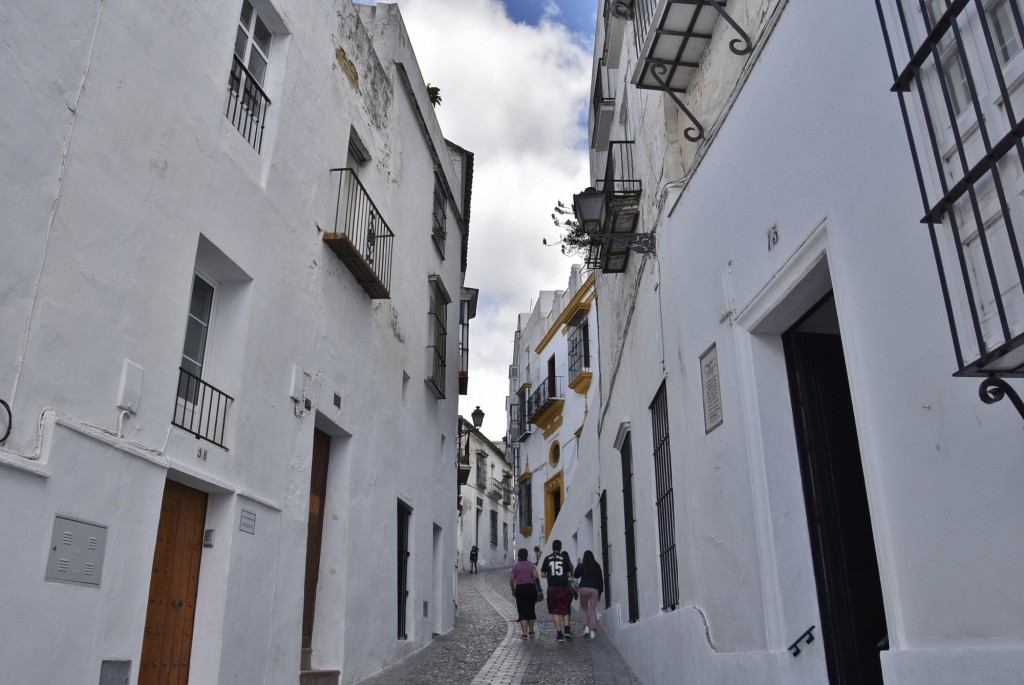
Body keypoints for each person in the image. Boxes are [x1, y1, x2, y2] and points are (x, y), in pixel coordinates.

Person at [540, 539, 574, 642]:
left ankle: (559, 634)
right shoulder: (564, 558)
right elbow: (569, 574)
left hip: (552, 588)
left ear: (552, 548)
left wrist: (551, 575)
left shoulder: (547, 558)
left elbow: (542, 574)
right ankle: (567, 629)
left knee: (555, 611)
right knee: (565, 608)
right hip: (563, 587)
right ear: (560, 548)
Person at [510, 548, 540, 638]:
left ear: (518, 555)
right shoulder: (531, 565)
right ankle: (531, 631)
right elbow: (536, 576)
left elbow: (512, 579)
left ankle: (524, 634)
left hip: (520, 588)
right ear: (526, 555)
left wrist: (513, 589)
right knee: (531, 609)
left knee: (522, 610)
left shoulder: (515, 566)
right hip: (530, 588)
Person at [573, 550, 604, 639]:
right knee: (592, 610)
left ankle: (586, 627)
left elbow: (576, 575)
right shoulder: (597, 566)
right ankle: (592, 631)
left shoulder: (583, 565)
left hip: (583, 588)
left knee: (584, 609)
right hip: (594, 589)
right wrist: (600, 592)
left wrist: (578, 565)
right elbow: (600, 580)